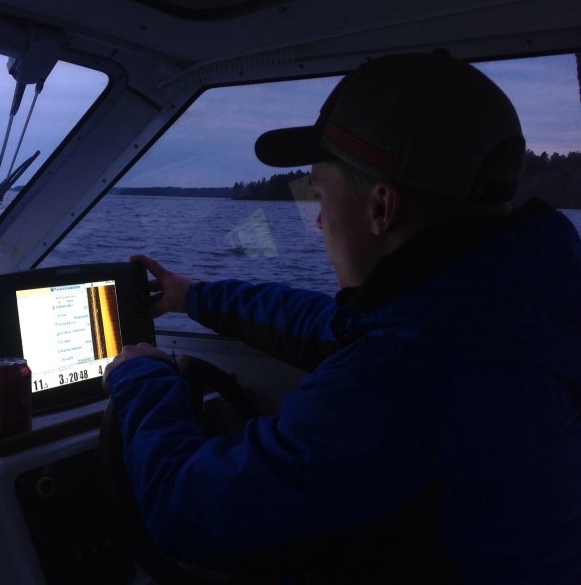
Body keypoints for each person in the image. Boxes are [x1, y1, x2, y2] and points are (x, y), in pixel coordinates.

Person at [102, 52, 581, 584]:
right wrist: (193, 297)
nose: (319, 221)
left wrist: (142, 379)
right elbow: (332, 324)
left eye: (320, 197)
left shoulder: (402, 377)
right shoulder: (516, 309)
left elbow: (183, 512)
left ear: (381, 209)